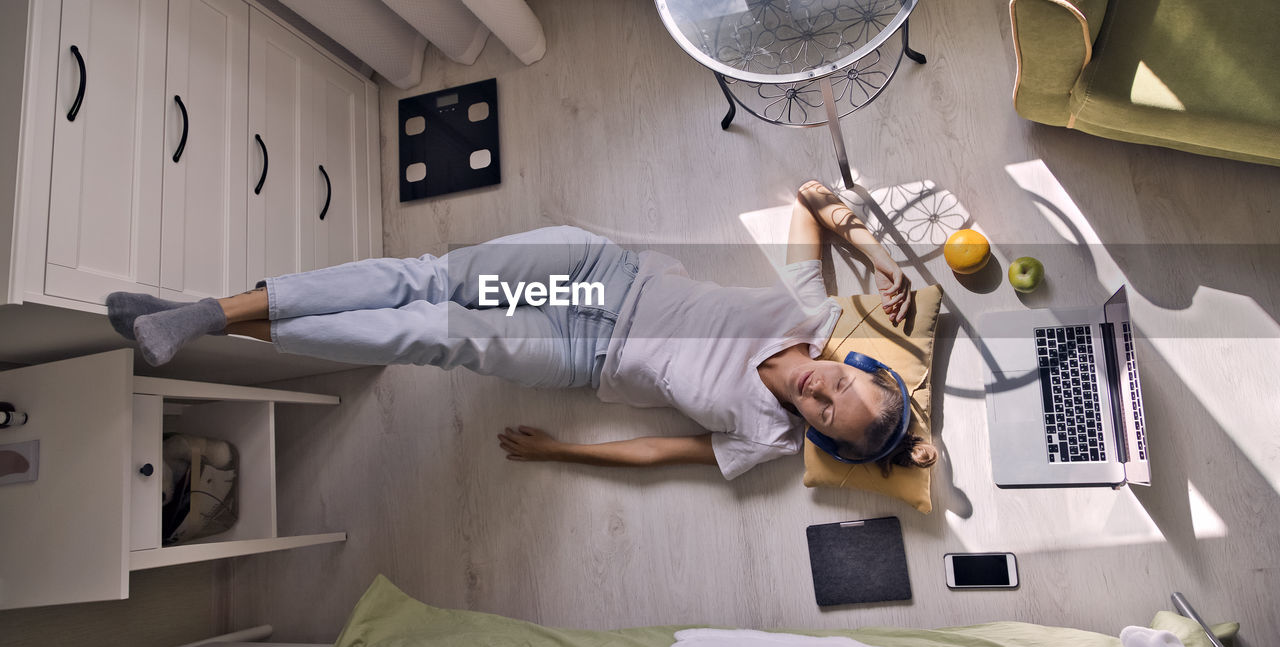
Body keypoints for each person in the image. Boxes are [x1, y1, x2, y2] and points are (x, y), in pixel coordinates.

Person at [107, 181, 937, 480]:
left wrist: (561, 452)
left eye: (831, 415)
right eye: (847, 383)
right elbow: (807, 197)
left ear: (821, 435)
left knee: (426, 332)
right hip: (597, 276)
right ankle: (211, 315)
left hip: (578, 351)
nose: (822, 392)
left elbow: (663, 454)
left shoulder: (766, 438)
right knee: (426, 278)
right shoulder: (810, 314)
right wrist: (879, 262)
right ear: (853, 362)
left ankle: (203, 320)